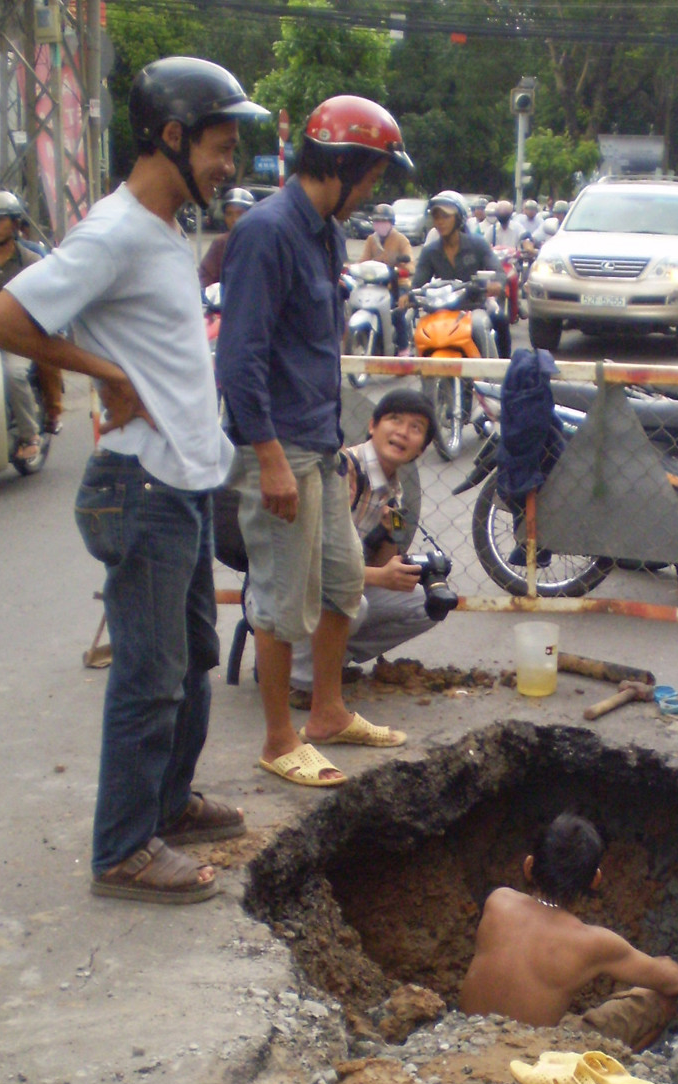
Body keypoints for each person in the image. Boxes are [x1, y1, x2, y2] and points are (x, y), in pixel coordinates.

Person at [0, 59, 269, 901]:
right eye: (221, 146)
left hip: (179, 481)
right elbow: (5, 313)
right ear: (174, 138)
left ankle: (169, 805)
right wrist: (100, 372)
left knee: (190, 661)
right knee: (149, 674)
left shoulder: (162, 226)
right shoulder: (112, 232)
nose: (230, 165)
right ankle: (123, 849)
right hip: (139, 486)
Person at [218, 95, 415, 788]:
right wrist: (267, 457)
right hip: (279, 448)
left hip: (321, 442)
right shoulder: (266, 232)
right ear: (345, 165)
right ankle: (278, 739)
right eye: (374, 175)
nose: (374, 189)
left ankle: (327, 713)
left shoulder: (327, 232)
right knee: (279, 598)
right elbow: (239, 358)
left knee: (340, 585)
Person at [459, 814, 678, 1053]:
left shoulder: (498, 900)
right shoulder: (591, 942)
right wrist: (664, 963)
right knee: (660, 1000)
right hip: (529, 1057)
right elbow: (674, 983)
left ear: (529, 866)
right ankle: (611, 1072)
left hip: (467, 1040)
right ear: (595, 880)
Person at [290, 390, 441, 697]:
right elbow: (311, 561)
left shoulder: (394, 494)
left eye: (415, 428)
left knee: (426, 603)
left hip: (333, 586)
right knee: (352, 603)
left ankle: (331, 662)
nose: (402, 432)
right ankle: (301, 681)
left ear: (421, 449)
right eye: (395, 420)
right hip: (290, 584)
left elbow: (377, 569)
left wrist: (388, 539)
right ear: (373, 425)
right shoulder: (342, 469)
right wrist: (380, 577)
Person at [409, 190, 508, 360]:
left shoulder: (477, 244)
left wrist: (496, 284)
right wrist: (408, 295)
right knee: (422, 330)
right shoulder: (430, 251)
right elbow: (418, 282)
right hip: (442, 309)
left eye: (445, 216)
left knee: (491, 322)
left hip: (475, 306)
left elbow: (498, 271)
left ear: (459, 218)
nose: (440, 222)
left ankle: (496, 375)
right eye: (436, 217)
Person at [0, 189, 45, 459]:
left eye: (1, 219)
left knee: (13, 374)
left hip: (18, 340)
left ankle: (29, 435)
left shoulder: (31, 261)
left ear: (15, 223)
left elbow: (42, 302)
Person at [359, 202, 414, 350]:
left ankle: (404, 349)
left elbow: (410, 263)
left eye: (384, 221)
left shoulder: (401, 240)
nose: (380, 224)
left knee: (397, 313)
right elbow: (363, 261)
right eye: (377, 221)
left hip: (398, 285)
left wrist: (403, 269)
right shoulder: (371, 240)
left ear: (391, 223)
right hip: (377, 286)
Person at [197, 185, 254, 288]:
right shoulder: (221, 243)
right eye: (229, 214)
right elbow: (205, 279)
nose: (234, 219)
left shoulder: (263, 240)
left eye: (240, 213)